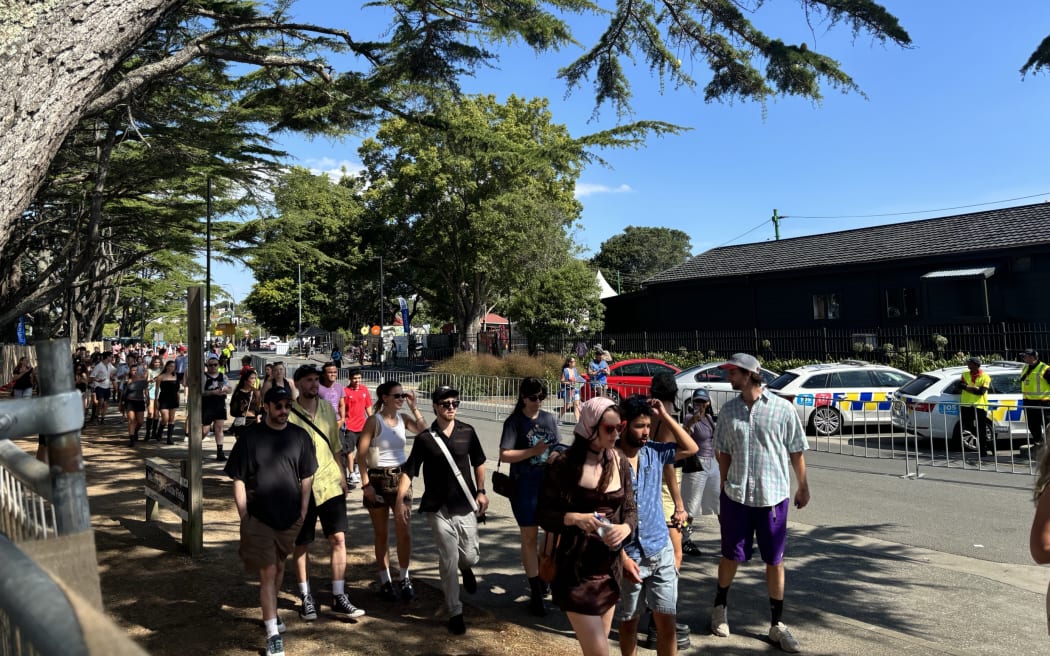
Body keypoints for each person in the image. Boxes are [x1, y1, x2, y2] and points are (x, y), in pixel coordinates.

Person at [710, 353, 810, 654]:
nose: (729, 377)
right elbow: (723, 451)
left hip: (772, 498)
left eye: (733, 372)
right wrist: (724, 485)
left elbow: (796, 450)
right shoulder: (728, 412)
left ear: (749, 374)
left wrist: (803, 485)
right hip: (737, 496)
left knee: (775, 560)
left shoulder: (782, 409)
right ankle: (719, 606)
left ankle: (777, 624)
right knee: (731, 555)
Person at [537, 397, 636, 656]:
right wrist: (574, 518)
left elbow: (630, 510)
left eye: (621, 426)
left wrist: (625, 530)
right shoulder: (564, 464)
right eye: (609, 428)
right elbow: (543, 514)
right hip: (575, 573)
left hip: (609, 571)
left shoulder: (619, 460)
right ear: (591, 427)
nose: (617, 434)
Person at [224, 386, 318, 656]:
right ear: (266, 407)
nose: (284, 411)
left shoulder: (299, 437)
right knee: (268, 574)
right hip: (259, 519)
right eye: (278, 406)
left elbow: (307, 475)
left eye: (287, 406)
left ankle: (272, 613)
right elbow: (238, 479)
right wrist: (244, 517)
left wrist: (302, 510)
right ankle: (273, 635)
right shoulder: (250, 438)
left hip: (289, 519)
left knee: (277, 571)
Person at [396, 386, 489, 634]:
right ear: (436, 406)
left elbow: (479, 462)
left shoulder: (467, 432)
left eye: (454, 403)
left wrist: (482, 491)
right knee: (448, 558)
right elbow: (410, 470)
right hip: (437, 508)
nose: (451, 407)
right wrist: (400, 499)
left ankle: (466, 567)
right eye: (446, 403)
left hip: (464, 505)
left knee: (468, 556)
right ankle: (455, 610)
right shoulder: (426, 439)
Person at [615, 395, 698, 656]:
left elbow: (691, 448)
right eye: (640, 426)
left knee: (667, 626)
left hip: (659, 551)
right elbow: (601, 516)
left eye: (649, 426)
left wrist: (665, 416)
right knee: (628, 624)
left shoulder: (654, 451)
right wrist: (621, 556)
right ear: (624, 425)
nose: (646, 432)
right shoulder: (610, 458)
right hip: (628, 556)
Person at [288, 365, 366, 621]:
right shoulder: (288, 413)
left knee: (339, 539)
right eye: (308, 380)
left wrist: (343, 477)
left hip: (330, 483)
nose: (313, 384)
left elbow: (335, 447)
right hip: (301, 488)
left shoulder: (326, 410)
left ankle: (339, 594)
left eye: (315, 380)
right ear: (298, 383)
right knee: (302, 543)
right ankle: (306, 595)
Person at [356, 380, 428, 602]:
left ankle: (405, 578)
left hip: (401, 479)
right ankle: (385, 579)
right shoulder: (374, 421)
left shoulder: (403, 419)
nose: (401, 400)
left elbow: (425, 433)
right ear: (384, 397)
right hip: (377, 478)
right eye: (397, 396)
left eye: (402, 396)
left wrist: (415, 407)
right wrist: (366, 484)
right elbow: (361, 455)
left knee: (404, 532)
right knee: (382, 534)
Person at [498, 377, 561, 616]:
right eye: (533, 397)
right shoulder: (514, 422)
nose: (537, 402)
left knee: (553, 535)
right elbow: (504, 455)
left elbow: (557, 446)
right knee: (529, 536)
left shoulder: (548, 419)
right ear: (523, 397)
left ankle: (544, 575)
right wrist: (533, 452)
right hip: (524, 486)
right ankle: (536, 591)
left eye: (541, 397)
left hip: (549, 486)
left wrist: (557, 456)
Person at [680, 389, 719, 557]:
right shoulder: (689, 419)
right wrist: (690, 424)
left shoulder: (710, 419)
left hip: (712, 463)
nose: (700, 405)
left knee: (719, 503)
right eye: (697, 402)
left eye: (702, 402)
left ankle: (730, 539)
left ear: (708, 403)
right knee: (691, 504)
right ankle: (684, 540)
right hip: (697, 464)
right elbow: (684, 437)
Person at [341, 367, 372, 488]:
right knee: (349, 451)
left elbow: (368, 406)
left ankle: (358, 469)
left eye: (359, 378)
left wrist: (372, 420)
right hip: (350, 427)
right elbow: (342, 408)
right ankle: (352, 473)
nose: (357, 380)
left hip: (363, 426)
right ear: (349, 378)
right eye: (354, 378)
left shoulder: (364, 390)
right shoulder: (345, 391)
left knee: (362, 451)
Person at [959, 356, 993, 455]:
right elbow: (960, 385)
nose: (968, 365)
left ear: (975, 365)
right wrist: (974, 388)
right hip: (966, 405)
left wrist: (967, 387)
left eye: (970, 363)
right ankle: (983, 445)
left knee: (981, 429)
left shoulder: (985, 376)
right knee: (967, 428)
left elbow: (981, 392)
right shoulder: (965, 374)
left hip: (980, 406)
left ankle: (984, 450)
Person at [1021, 349, 1050, 457]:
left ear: (1033, 357)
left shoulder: (1045, 369)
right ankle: (1040, 444)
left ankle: (1048, 447)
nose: (1023, 358)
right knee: (1033, 425)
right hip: (1029, 402)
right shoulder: (1025, 367)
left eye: (1025, 356)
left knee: (1047, 426)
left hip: (1043, 403)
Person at [203, 356, 232, 461]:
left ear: (219, 365)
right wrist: (212, 392)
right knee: (205, 430)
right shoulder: (204, 377)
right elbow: (201, 392)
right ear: (207, 366)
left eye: (215, 364)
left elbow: (230, 389)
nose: (213, 367)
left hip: (220, 404)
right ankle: (195, 445)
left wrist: (224, 389)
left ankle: (220, 451)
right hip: (207, 405)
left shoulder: (223, 377)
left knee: (219, 428)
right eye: (210, 365)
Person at [123, 355, 149, 445]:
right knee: (131, 420)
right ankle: (132, 439)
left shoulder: (142, 380)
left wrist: (148, 399)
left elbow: (146, 391)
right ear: (130, 371)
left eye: (136, 370)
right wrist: (120, 404)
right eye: (133, 370)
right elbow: (123, 393)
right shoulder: (128, 381)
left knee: (140, 421)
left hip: (140, 401)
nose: (134, 372)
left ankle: (135, 431)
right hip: (130, 401)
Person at [230, 369, 262, 437]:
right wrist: (241, 409)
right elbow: (232, 411)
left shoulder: (256, 393)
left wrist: (259, 417)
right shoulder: (238, 393)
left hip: (253, 421)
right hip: (241, 422)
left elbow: (261, 408)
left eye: (255, 378)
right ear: (245, 380)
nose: (254, 380)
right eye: (252, 378)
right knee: (241, 445)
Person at [155, 360, 180, 444]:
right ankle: (160, 431)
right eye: (170, 366)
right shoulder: (160, 377)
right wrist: (156, 400)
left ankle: (169, 438)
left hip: (173, 399)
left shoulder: (176, 376)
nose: (171, 368)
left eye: (173, 366)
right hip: (163, 399)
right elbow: (157, 389)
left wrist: (178, 399)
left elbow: (177, 390)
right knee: (165, 418)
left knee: (172, 418)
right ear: (166, 366)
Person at [90, 352, 117, 424]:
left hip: (107, 386)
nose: (112, 358)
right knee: (101, 401)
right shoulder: (98, 366)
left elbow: (115, 371)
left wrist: (113, 376)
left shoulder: (110, 365)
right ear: (107, 357)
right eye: (111, 356)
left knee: (105, 404)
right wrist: (97, 380)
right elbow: (91, 376)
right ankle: (96, 416)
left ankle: (102, 418)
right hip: (99, 386)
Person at [145, 355, 164, 443]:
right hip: (150, 391)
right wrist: (151, 380)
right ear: (152, 362)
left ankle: (154, 433)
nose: (157, 364)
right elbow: (145, 382)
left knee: (156, 414)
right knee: (150, 413)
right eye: (155, 362)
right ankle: (148, 432)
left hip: (160, 392)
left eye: (158, 362)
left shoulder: (163, 371)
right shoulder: (148, 371)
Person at [558, 356, 582, 425]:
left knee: (576, 405)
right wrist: (569, 382)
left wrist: (578, 385)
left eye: (574, 361)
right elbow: (562, 381)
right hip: (568, 390)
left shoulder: (575, 370)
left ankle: (577, 421)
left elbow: (576, 379)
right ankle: (558, 419)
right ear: (569, 363)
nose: (574, 363)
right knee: (567, 406)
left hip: (575, 390)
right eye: (573, 361)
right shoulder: (565, 370)